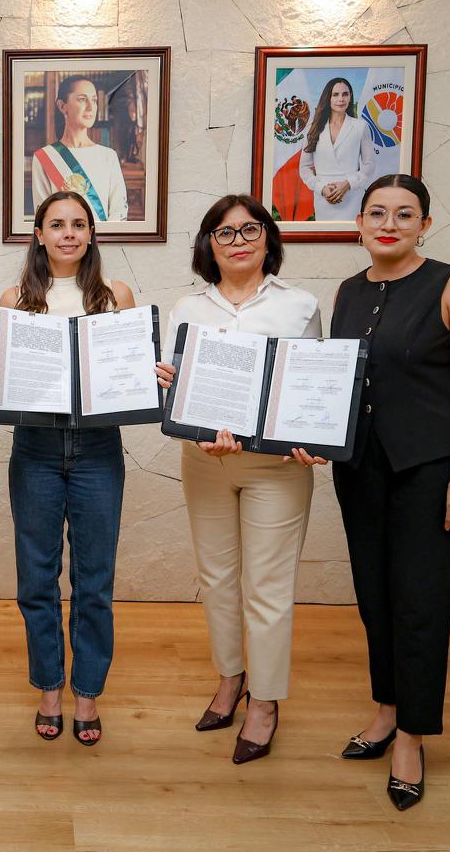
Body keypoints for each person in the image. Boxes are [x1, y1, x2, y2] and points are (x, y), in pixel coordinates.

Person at [290, 174, 450, 810]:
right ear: (359, 224)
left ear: (424, 225)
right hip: (361, 469)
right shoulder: (349, 291)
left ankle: (411, 736)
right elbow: (339, 381)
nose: (389, 224)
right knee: (376, 599)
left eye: (405, 214)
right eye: (377, 213)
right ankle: (386, 710)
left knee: (420, 604)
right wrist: (310, 434)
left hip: (429, 471)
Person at [154, 194, 321, 765]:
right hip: (204, 462)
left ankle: (266, 702)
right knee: (218, 580)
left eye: (250, 229)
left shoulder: (300, 306)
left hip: (276, 470)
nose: (238, 241)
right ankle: (230, 679)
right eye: (224, 233)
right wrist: (168, 389)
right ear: (209, 245)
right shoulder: (187, 308)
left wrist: (313, 436)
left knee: (267, 588)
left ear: (268, 238)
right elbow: (174, 386)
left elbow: (311, 386)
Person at [0, 190, 136, 746]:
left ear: (91, 233)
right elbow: (2, 378)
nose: (68, 234)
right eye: (57, 225)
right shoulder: (15, 299)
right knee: (36, 577)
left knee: (93, 579)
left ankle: (87, 693)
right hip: (35, 445)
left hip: (98, 447)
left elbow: (127, 373)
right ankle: (49, 687)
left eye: (79, 224)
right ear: (39, 235)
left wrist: (143, 372)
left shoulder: (115, 295)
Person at [31, 75, 128, 222]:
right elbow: (43, 217)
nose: (90, 107)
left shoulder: (108, 156)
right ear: (62, 106)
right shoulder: (44, 157)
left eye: (94, 100)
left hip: (103, 237)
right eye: (82, 99)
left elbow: (119, 210)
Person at [299, 77, 376, 223]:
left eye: (345, 94)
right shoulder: (313, 129)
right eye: (335, 94)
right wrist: (321, 188)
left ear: (350, 97)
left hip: (352, 198)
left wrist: (348, 184)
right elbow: (304, 168)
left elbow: (369, 165)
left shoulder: (360, 127)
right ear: (328, 97)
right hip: (323, 200)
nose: (341, 99)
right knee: (325, 236)